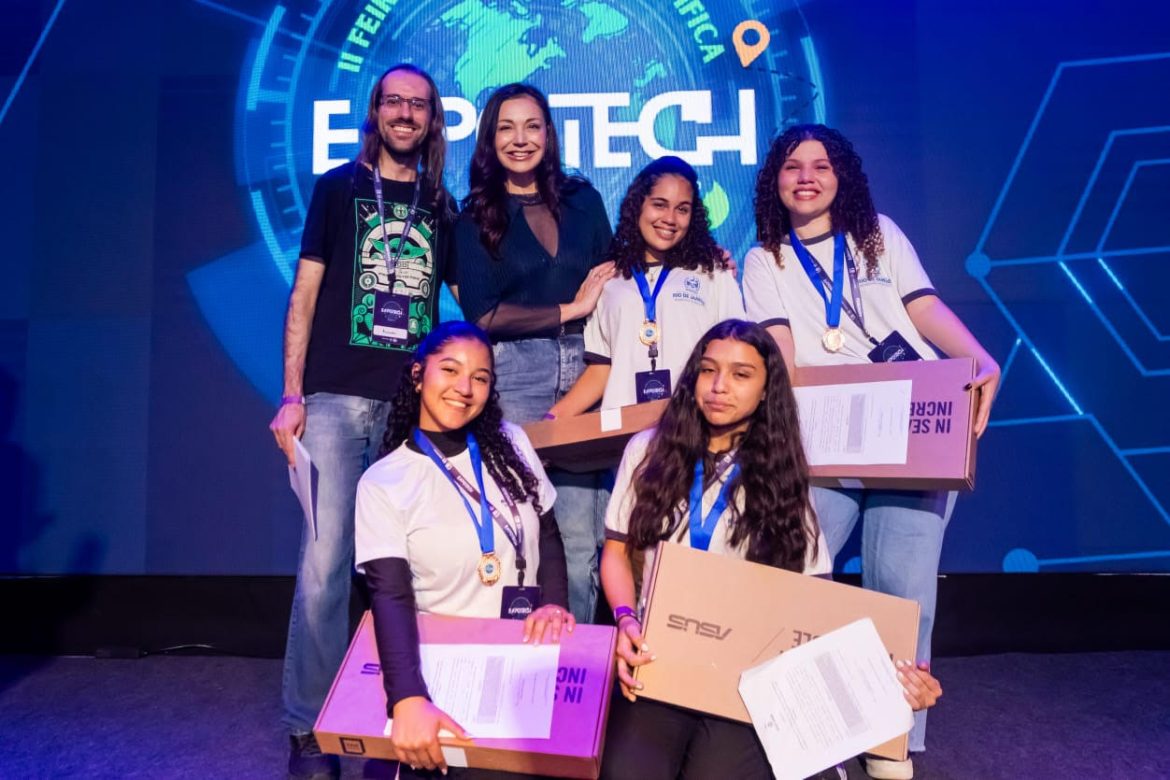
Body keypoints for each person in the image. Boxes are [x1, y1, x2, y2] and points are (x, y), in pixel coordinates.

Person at [743, 124, 998, 780]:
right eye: (792, 166)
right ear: (774, 181)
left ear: (840, 176)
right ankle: (806, 725)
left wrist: (977, 359)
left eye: (820, 165)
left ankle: (891, 745)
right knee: (795, 579)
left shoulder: (877, 233)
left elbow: (923, 306)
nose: (806, 176)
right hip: (823, 436)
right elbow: (781, 355)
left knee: (902, 596)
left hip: (909, 428)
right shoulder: (763, 258)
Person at [598, 320, 941, 779]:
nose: (719, 387)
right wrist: (625, 619)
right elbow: (616, 553)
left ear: (765, 391)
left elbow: (818, 600)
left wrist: (892, 677)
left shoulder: (784, 474)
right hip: (658, 660)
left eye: (741, 374)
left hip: (746, 678)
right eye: (708, 370)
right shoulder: (648, 450)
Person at [267, 63, 454, 780]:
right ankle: (309, 732)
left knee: (398, 570)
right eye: (394, 102)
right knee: (323, 571)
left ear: (433, 121)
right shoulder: (336, 188)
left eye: (419, 105)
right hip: (337, 401)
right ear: (374, 113)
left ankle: (395, 715)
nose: (406, 113)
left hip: (413, 408)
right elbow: (306, 293)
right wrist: (292, 394)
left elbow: (476, 290)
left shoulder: (441, 203)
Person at [355, 321, 572, 779]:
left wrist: (553, 602)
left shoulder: (512, 443)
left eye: (480, 378)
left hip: (522, 659)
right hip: (445, 669)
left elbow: (547, 536)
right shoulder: (384, 482)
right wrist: (408, 699)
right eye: (450, 370)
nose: (464, 388)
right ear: (417, 375)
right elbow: (390, 598)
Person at [453, 83, 615, 625]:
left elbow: (617, 276)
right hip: (514, 377)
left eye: (532, 126)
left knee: (579, 537)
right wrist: (571, 309)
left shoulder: (583, 200)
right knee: (518, 527)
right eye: (506, 127)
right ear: (488, 139)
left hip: (589, 375)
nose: (520, 139)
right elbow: (482, 315)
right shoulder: (474, 215)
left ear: (549, 134)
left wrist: (706, 262)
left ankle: (579, 675)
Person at [548, 156, 744, 416]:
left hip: (690, 425)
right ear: (638, 205)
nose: (670, 219)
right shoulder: (609, 279)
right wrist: (552, 418)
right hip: (623, 433)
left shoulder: (713, 273)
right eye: (660, 205)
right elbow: (602, 369)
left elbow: (735, 355)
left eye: (682, 209)